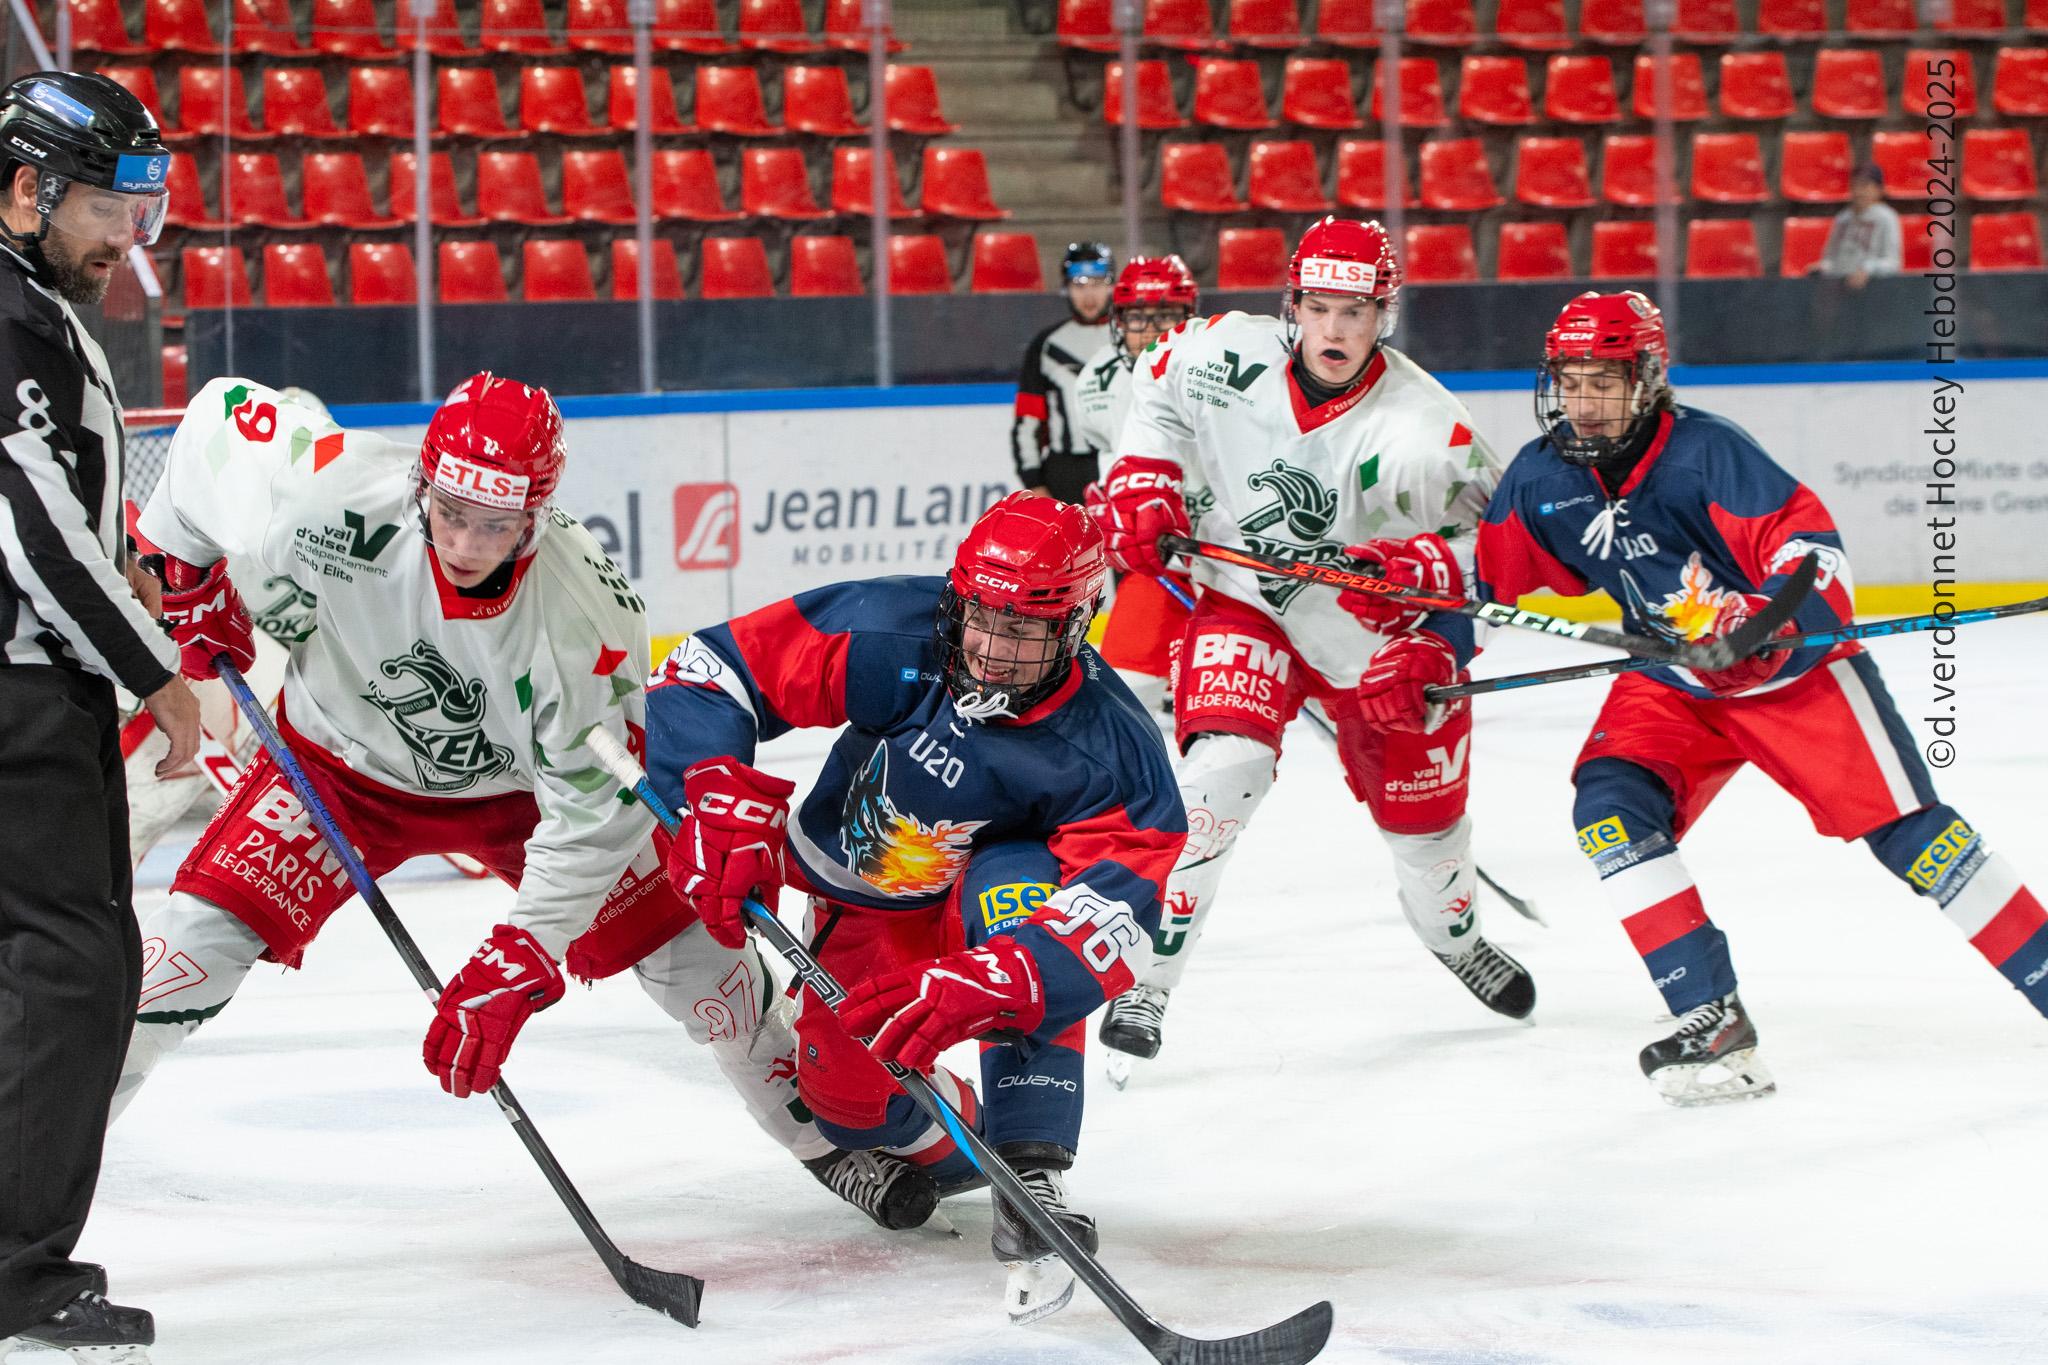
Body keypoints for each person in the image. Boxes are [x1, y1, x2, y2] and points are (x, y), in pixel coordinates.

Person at [114, 375, 839, 1198]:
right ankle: (28, 1198)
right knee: (181, 961)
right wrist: (186, 568)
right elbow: (216, 421)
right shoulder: (332, 490)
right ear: (422, 481)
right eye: (451, 513)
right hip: (336, 769)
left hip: (518, 799)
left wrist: (521, 952)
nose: (463, 544)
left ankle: (827, 1136)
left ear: (536, 515)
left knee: (705, 969)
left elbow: (591, 815)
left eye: (495, 526)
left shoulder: (586, 620)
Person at [1364, 289, 2048, 1106]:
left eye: (1603, 382)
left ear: (1647, 378)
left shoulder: (1708, 456)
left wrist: (1758, 625)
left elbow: (1812, 556)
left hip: (1791, 679)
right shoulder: (1545, 477)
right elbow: (1490, 584)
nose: (1583, 402)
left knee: (1916, 841)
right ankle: (1712, 1019)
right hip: (1674, 681)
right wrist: (1433, 649)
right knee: (1610, 809)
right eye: (1571, 380)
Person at [638, 492, 1184, 1319]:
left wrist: (1006, 977)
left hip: (987, 894)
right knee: (846, 1097)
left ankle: (1030, 1157)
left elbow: (1118, 911)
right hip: (866, 900)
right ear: (959, 599)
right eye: (983, 620)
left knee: (1024, 903)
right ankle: (966, 1142)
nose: (995, 652)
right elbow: (709, 670)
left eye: (1026, 630)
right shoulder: (896, 628)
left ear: (1075, 625)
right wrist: (712, 791)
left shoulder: (1113, 746)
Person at [1085, 216, 1534, 1087]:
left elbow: (1502, 553)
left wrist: (1431, 604)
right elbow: (1154, 390)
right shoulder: (1219, 354)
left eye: (1355, 312)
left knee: (1429, 836)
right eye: (1319, 307)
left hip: (1376, 644)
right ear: (1290, 305)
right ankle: (1146, 980)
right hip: (1242, 601)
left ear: (1385, 315)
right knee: (1215, 787)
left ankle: (1457, 935)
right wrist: (1144, 472)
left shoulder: (1429, 432)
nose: (1334, 330)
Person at [0, 70, 196, 1362]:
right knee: (74, 969)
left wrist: (120, 552)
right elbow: (32, 535)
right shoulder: (9, 317)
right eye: (104, 206)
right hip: (22, 705)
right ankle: (17, 1274)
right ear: (26, 189)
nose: (123, 236)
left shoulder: (24, 306)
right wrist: (157, 669)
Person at [1071, 254, 1201, 717]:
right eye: (1139, 317)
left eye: (1166, 315)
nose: (1153, 329)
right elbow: (1112, 457)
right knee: (1120, 698)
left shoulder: (1222, 374)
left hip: (1224, 554)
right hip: (1157, 559)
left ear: (1189, 316)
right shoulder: (1095, 383)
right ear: (1117, 321)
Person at [1010, 242, 1114, 505]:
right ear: (1066, 288)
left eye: (1097, 283)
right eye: (1079, 285)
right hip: (1064, 474)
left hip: (1120, 467)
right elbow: (1028, 420)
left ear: (1112, 286)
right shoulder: (1046, 345)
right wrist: (1034, 481)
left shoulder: (1130, 338)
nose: (1089, 295)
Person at [1816, 164, 1902, 289]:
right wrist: (1823, 267)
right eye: (1855, 186)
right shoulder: (1842, 218)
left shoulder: (1887, 218)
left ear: (1879, 189)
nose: (1859, 191)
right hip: (1840, 287)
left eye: (1865, 186)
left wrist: (1867, 270)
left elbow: (1893, 263)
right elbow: (1830, 258)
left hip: (1875, 288)